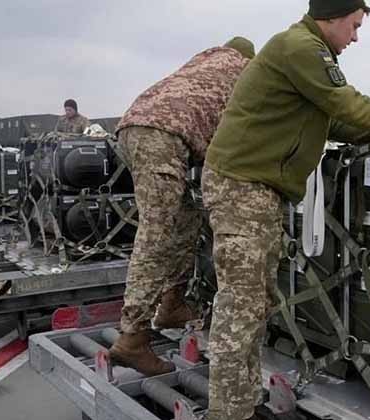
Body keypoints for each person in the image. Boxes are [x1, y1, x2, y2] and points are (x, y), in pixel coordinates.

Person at [202, 1, 370, 418]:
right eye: (354, 25)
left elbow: (337, 123)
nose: (356, 36)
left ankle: (240, 403)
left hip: (257, 191)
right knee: (240, 309)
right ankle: (227, 412)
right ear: (332, 16)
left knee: (255, 306)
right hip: (242, 188)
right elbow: (346, 103)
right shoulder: (301, 47)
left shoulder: (307, 53)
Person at [108, 37, 256, 376]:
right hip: (161, 135)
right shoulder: (244, 70)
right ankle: (132, 338)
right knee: (156, 235)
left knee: (185, 219)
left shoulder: (204, 61)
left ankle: (172, 303)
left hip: (135, 128)